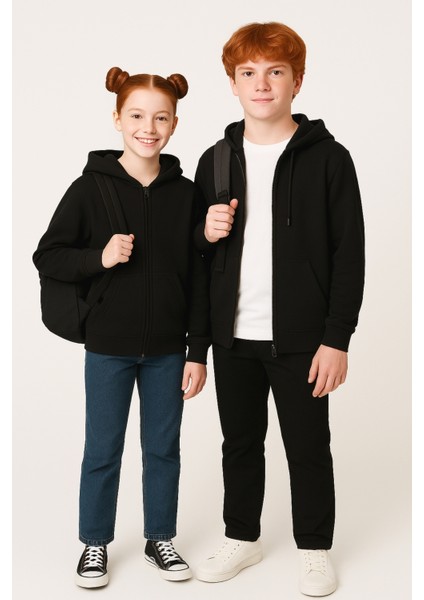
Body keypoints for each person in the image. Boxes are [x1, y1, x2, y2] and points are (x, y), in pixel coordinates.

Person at [193, 22, 365, 596]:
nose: (261, 84)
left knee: (308, 447)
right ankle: (242, 537)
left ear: (297, 81)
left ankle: (314, 549)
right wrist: (204, 233)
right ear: (233, 84)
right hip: (233, 335)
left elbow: (349, 253)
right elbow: (197, 259)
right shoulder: (216, 159)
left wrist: (336, 338)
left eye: (275, 72)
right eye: (248, 73)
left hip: (303, 339)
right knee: (239, 444)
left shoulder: (329, 159)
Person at [33, 66, 210, 588]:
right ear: (117, 119)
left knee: (163, 450)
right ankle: (94, 544)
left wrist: (197, 352)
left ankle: (160, 539)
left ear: (174, 123)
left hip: (168, 351)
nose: (148, 128)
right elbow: (48, 255)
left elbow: (201, 276)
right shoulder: (89, 188)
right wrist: (99, 257)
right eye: (136, 116)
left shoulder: (187, 194)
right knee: (102, 450)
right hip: (108, 347)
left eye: (160, 118)